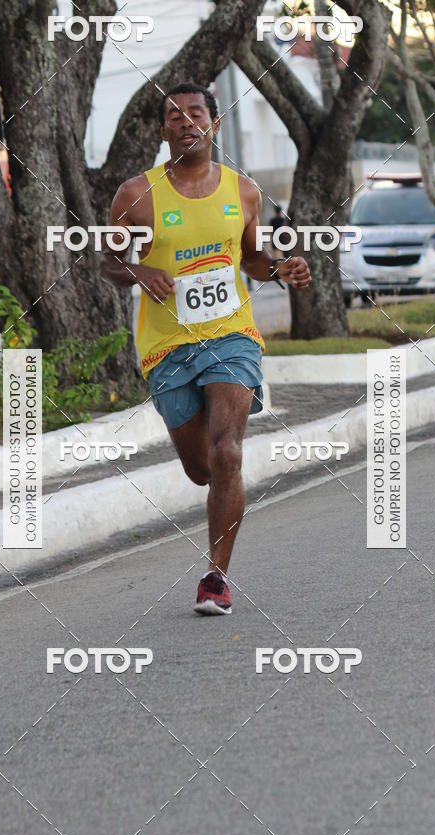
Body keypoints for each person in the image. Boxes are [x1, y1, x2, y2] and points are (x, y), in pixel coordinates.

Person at [101, 82, 311, 615]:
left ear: (215, 123)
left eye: (196, 112)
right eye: (174, 116)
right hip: (167, 346)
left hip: (231, 335)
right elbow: (107, 262)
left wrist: (279, 269)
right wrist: (138, 269)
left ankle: (216, 577)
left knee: (228, 452)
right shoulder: (136, 194)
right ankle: (218, 503)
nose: (186, 121)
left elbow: (250, 258)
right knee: (202, 469)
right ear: (162, 130)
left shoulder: (243, 190)